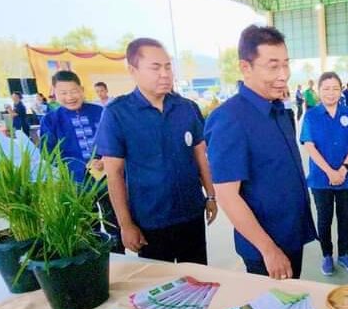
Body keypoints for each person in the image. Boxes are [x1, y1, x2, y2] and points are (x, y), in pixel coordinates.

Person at [204, 25, 316, 280]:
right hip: (265, 246)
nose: (283, 74)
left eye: (286, 64)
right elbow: (227, 196)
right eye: (273, 66)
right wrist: (269, 250)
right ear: (246, 67)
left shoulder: (277, 109)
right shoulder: (230, 119)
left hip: (290, 234)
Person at [95, 38, 218, 263]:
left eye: (168, 66)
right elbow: (114, 174)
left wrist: (210, 195)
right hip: (151, 221)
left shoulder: (186, 108)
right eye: (155, 67)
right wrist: (126, 224)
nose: (165, 74)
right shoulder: (117, 114)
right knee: (160, 287)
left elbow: (200, 155)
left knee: (198, 281)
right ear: (133, 70)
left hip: (191, 214)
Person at [39, 70, 123, 253]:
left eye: (74, 91)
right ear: (54, 93)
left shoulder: (99, 111)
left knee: (114, 220)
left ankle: (119, 257)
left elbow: (114, 140)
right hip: (76, 183)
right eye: (63, 93)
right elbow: (49, 154)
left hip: (106, 178)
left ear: (82, 90)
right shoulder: (51, 120)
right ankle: (96, 260)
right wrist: (81, 166)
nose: (70, 97)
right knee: (88, 225)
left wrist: (103, 159)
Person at [300, 72, 348, 276]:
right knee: (324, 218)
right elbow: (309, 146)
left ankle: (343, 254)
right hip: (321, 179)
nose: (331, 93)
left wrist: (344, 168)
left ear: (341, 89)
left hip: (347, 178)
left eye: (335, 88)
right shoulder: (311, 116)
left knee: (345, 217)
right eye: (326, 88)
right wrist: (330, 171)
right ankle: (327, 255)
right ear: (319, 91)